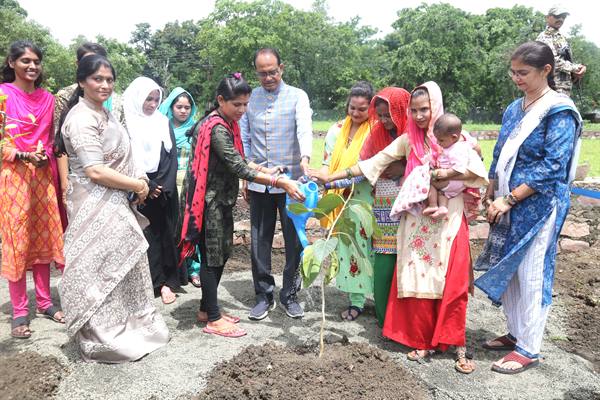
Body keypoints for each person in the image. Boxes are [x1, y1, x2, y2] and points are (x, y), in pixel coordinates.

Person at [315, 82, 487, 374]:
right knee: (420, 282)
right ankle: (423, 340)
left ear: (436, 107)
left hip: (450, 219)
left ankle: (457, 345)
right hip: (418, 222)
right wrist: (332, 178)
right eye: (414, 110)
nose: (420, 116)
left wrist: (448, 174)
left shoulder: (460, 140)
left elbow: (477, 171)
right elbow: (372, 162)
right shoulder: (408, 140)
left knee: (453, 282)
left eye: (425, 109)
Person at [474, 41, 582, 374]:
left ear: (546, 71)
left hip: (539, 205)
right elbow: (501, 150)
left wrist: (510, 198)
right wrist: (491, 188)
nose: (516, 78)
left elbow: (553, 166)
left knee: (532, 272)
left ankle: (529, 347)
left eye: (523, 73)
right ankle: (516, 331)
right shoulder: (514, 108)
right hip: (506, 201)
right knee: (512, 272)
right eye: (513, 72)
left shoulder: (559, 111)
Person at [57, 55, 169, 362]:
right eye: (97, 79)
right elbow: (94, 170)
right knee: (98, 265)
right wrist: (136, 186)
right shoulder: (81, 118)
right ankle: (101, 333)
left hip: (115, 199)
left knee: (122, 260)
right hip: (92, 200)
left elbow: (125, 153)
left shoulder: (106, 114)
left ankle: (131, 324)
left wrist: (140, 179)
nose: (105, 85)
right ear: (82, 81)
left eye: (109, 79)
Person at [180, 73, 305, 337]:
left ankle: (207, 308)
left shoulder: (227, 124)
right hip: (209, 202)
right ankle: (213, 318)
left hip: (220, 200)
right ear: (221, 100)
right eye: (237, 104)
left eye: (246, 104)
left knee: (220, 253)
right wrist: (278, 181)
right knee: (212, 257)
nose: (243, 110)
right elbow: (237, 166)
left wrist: (264, 169)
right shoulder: (216, 128)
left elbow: (240, 159)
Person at [240, 48, 313, 320]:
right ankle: (263, 295)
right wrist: (246, 174)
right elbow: (245, 138)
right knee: (259, 240)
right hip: (260, 182)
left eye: (272, 71)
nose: (268, 77)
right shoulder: (250, 99)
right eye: (262, 73)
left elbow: (304, 129)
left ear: (281, 68)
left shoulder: (297, 96)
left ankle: (289, 295)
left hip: (293, 182)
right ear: (256, 72)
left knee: (294, 240)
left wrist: (305, 160)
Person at [0, 40, 66, 339]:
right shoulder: (2, 95)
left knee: (43, 239)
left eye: (36, 61)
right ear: (11, 62)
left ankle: (44, 302)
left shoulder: (48, 99)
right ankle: (19, 311)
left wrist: (43, 156)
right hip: (14, 178)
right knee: (17, 241)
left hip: (42, 176)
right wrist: (23, 155)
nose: (32, 66)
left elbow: (52, 140)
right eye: (25, 60)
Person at [309, 81, 375, 321]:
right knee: (348, 248)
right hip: (340, 201)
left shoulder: (375, 132)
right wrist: (320, 177)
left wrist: (331, 181)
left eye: (362, 109)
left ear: (372, 108)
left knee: (368, 248)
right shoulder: (336, 129)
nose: (356, 114)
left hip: (366, 198)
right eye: (352, 108)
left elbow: (369, 170)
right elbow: (328, 163)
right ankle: (356, 300)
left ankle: (377, 298)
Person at [123, 77, 182, 304]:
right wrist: (144, 185)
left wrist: (161, 186)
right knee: (143, 238)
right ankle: (148, 283)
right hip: (136, 187)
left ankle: (167, 282)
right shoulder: (126, 122)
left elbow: (171, 156)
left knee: (164, 235)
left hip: (162, 190)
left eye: (156, 99)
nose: (152, 104)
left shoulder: (161, 121)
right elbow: (125, 157)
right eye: (148, 98)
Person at [158, 87, 202, 288]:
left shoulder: (196, 129)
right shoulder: (160, 128)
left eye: (187, 107)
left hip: (191, 187)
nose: (183, 111)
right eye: (179, 107)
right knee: (171, 229)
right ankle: (174, 270)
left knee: (191, 228)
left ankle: (194, 270)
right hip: (168, 186)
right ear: (171, 107)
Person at [422, 113, 473, 218]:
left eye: (441, 140)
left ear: (454, 137)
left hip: (453, 181)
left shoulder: (456, 149)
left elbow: (459, 168)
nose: (438, 143)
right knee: (442, 193)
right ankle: (443, 208)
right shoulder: (453, 146)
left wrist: (445, 173)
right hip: (453, 183)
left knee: (429, 181)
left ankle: (433, 205)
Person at [536, 6, 586, 96]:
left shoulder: (561, 37)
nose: (561, 19)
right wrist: (575, 68)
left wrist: (578, 71)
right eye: (557, 16)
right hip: (552, 87)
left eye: (563, 17)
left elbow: (566, 60)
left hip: (564, 87)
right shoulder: (544, 37)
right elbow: (552, 60)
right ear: (547, 18)